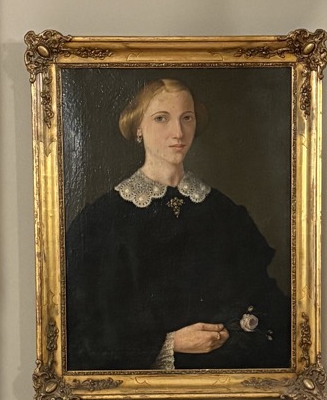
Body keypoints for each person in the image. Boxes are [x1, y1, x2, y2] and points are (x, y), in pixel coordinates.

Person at [65, 78, 291, 371]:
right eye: (161, 119)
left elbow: (266, 306)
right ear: (137, 128)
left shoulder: (224, 213)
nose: (178, 132)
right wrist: (169, 344)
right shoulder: (102, 219)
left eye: (187, 118)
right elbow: (85, 333)